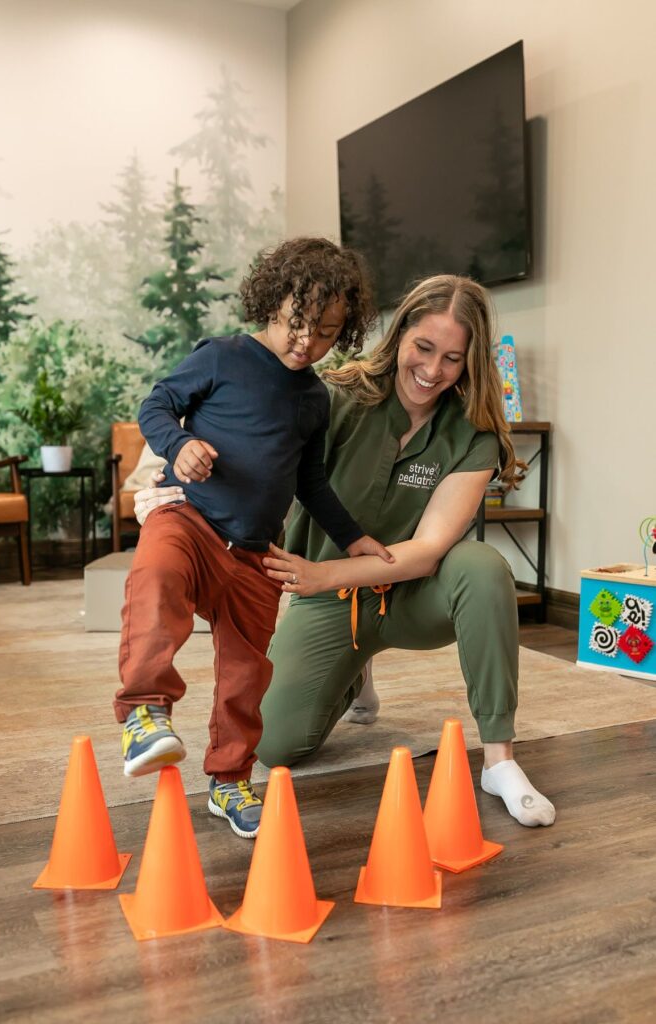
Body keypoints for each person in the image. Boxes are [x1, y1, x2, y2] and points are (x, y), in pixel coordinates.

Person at [136, 273, 556, 829]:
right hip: (328, 604)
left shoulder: (473, 433)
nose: (432, 371)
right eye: (423, 348)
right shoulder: (333, 393)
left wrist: (324, 572)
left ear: (470, 362)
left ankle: (499, 759)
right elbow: (211, 415)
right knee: (275, 745)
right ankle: (354, 671)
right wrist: (154, 489)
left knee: (482, 566)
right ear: (400, 332)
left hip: (411, 596)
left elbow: (429, 549)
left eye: (453, 358)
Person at [115, 237, 393, 839]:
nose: (306, 343)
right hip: (189, 519)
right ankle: (144, 711)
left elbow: (311, 481)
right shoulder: (221, 356)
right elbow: (156, 405)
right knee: (155, 581)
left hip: (256, 551)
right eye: (299, 323)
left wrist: (352, 540)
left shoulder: (314, 397)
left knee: (246, 673)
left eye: (325, 332)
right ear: (273, 302)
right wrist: (179, 445)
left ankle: (230, 780)